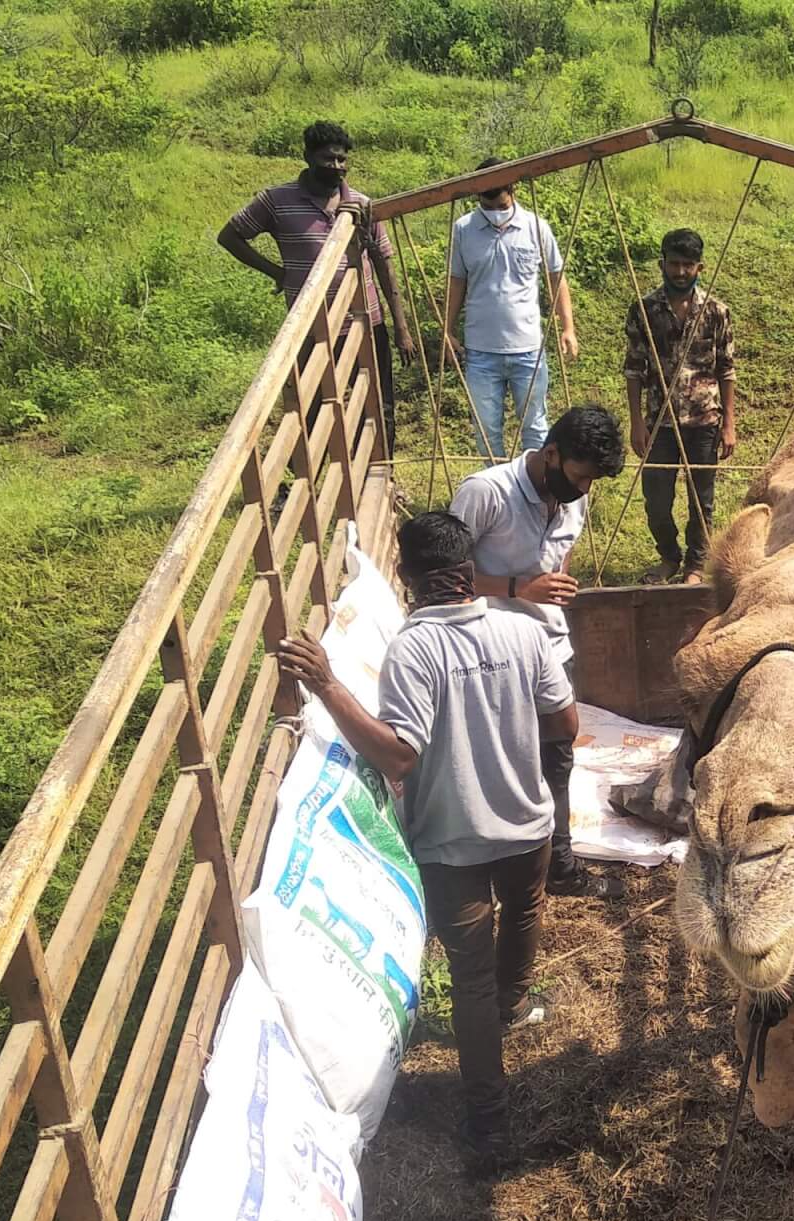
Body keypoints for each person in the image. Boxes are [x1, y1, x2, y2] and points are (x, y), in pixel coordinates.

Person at [277, 512, 576, 1171]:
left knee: (467, 976)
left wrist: (326, 685)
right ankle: (515, 1003)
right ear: (470, 569)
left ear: (409, 580)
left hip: (451, 839)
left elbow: (399, 757)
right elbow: (566, 721)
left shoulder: (413, 649)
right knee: (525, 913)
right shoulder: (523, 628)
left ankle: (490, 1124)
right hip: (528, 824)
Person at [451, 403, 626, 894]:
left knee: (559, 746)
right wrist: (517, 588)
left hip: (547, 639)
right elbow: (442, 574)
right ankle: (501, 863)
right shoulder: (486, 493)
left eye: (592, 481)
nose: (584, 489)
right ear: (551, 454)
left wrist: (552, 586)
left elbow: (558, 557)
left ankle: (559, 863)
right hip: (489, 645)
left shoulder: (575, 499)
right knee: (502, 753)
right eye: (579, 475)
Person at [219, 120, 414, 451]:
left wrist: (401, 327)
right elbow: (230, 236)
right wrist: (277, 272)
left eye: (342, 160)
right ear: (307, 156)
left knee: (378, 404)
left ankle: (381, 476)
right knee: (308, 407)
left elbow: (384, 264)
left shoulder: (363, 205)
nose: (337, 167)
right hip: (310, 328)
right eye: (328, 159)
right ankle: (307, 488)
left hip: (366, 322)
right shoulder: (276, 201)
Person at [444, 158, 580, 461]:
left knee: (535, 429)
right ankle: (499, 500)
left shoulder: (535, 227)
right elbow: (456, 280)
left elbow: (556, 278)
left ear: (512, 189)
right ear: (477, 195)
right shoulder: (464, 229)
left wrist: (568, 327)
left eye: (500, 202)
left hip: (528, 349)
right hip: (481, 351)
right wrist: (447, 329)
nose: (494, 210)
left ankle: (537, 494)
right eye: (487, 201)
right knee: (487, 432)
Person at [624, 228, 737, 584]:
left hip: (704, 418)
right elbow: (634, 368)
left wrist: (729, 423)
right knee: (656, 499)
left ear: (700, 267)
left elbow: (727, 369)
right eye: (674, 264)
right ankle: (669, 557)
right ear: (662, 264)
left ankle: (695, 565)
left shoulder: (717, 311)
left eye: (688, 265)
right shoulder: (644, 310)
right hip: (660, 421)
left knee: (700, 500)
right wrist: (637, 421)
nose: (680, 272)